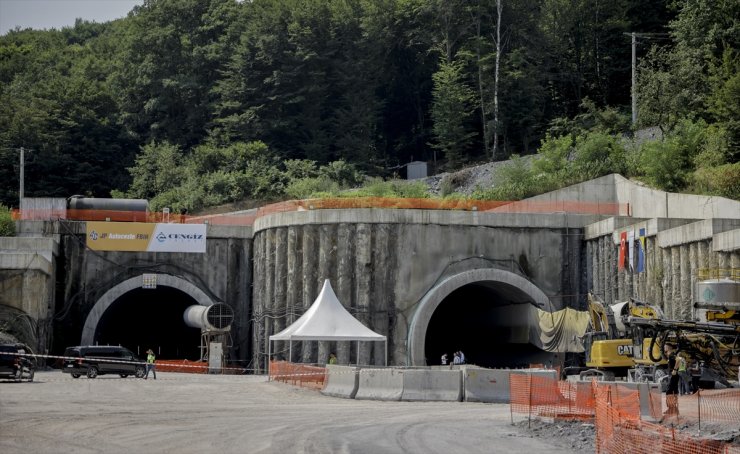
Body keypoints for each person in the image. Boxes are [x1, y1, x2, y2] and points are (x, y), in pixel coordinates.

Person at [663, 343, 679, 417]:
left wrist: (675, 369)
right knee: (674, 391)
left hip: (673, 375)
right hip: (674, 375)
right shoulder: (670, 355)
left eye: (665, 346)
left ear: (668, 347)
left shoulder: (671, 354)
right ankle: (675, 409)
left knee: (668, 391)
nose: (664, 347)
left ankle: (671, 408)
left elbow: (679, 359)